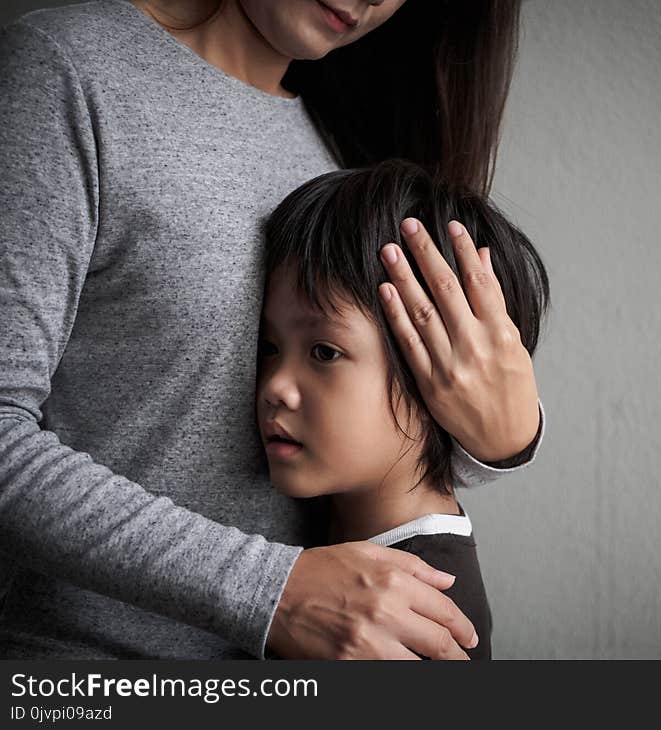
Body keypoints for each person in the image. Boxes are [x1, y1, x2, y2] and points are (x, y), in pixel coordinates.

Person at [0, 0, 544, 660]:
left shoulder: (355, 140)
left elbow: (390, 413)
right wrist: (271, 591)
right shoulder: (71, 71)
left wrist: (510, 435)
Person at [258, 160, 550, 660]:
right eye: (268, 348)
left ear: (440, 365)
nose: (274, 387)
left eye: (324, 352)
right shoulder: (348, 537)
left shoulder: (410, 621)